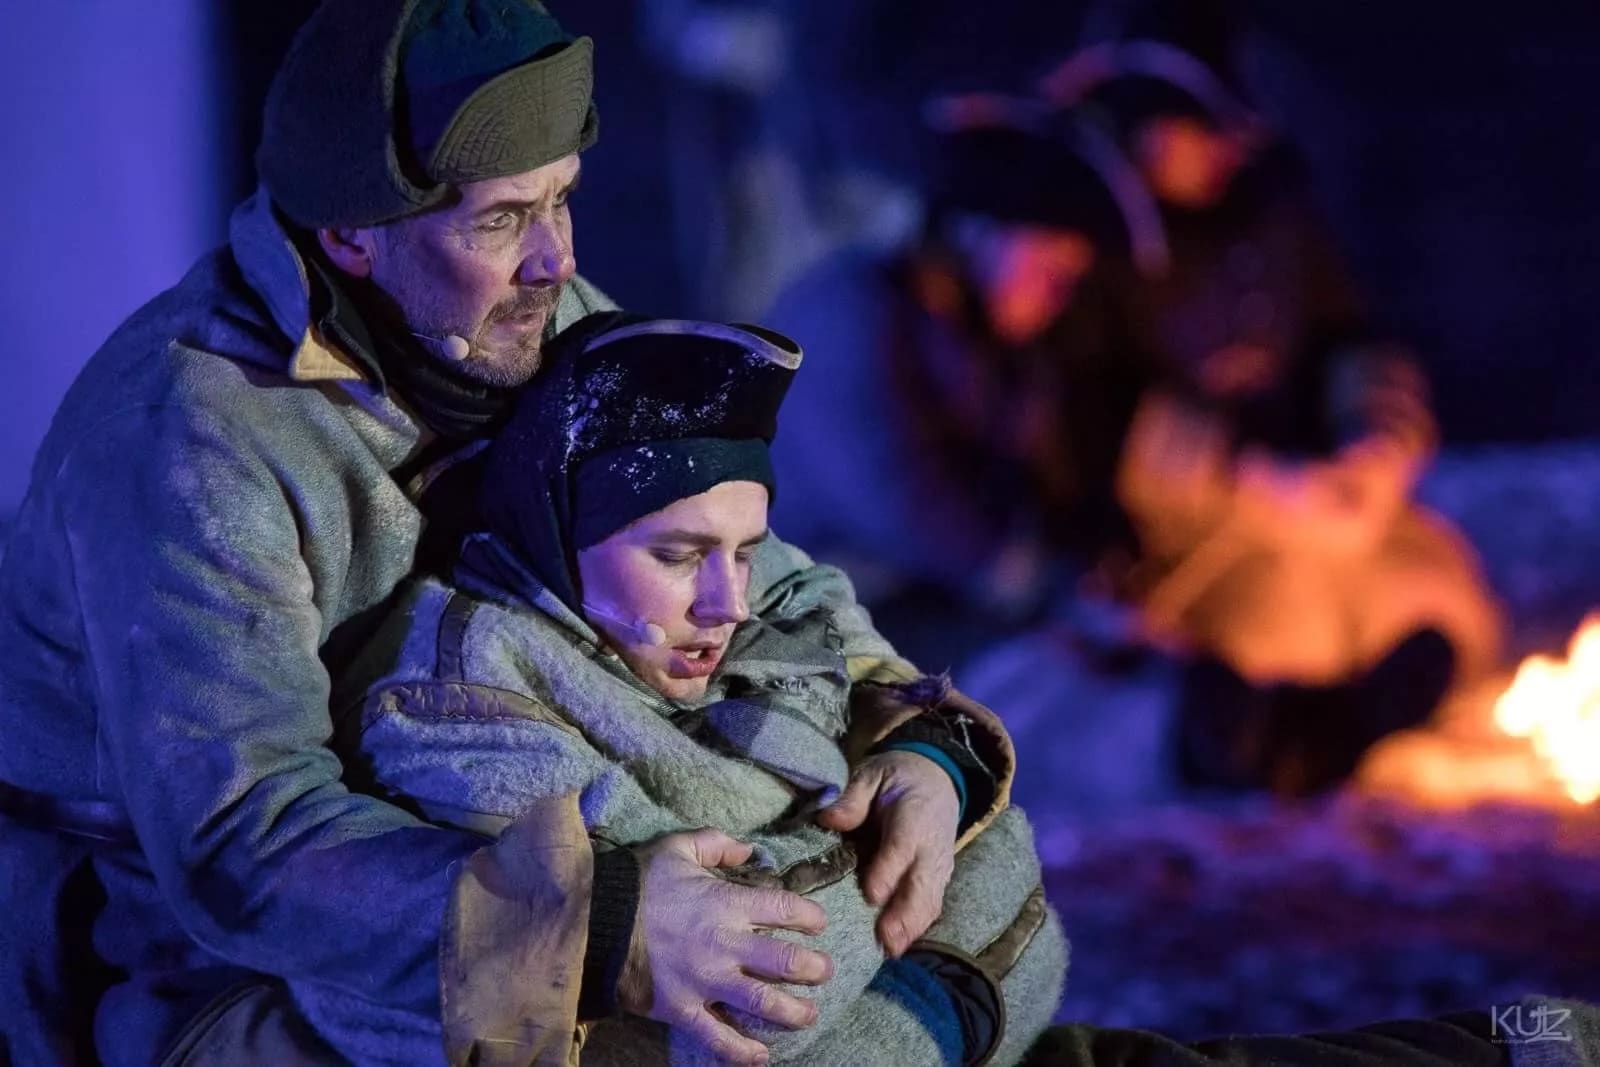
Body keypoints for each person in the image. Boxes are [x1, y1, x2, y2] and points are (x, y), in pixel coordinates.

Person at [0, 3, 980, 1063]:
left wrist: (917, 737)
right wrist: (601, 924)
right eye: (501, 220)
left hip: (505, 825)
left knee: (932, 896)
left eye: (562, 198)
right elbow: (244, 842)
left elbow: (755, 574)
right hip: (195, 962)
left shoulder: (528, 319)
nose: (554, 260)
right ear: (351, 236)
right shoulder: (189, 444)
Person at [328, 312, 1065, 1065]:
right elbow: (758, 994)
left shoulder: (739, 615)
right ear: (556, 534)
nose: (730, 604)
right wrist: (944, 991)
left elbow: (817, 605)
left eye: (744, 553)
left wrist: (935, 764)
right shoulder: (454, 701)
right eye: (678, 556)